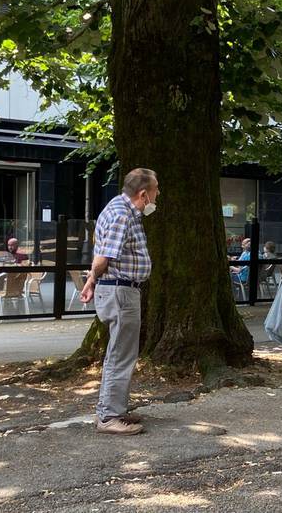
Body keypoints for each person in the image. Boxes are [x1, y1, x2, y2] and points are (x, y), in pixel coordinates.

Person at [79, 168, 159, 436]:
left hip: (120, 289)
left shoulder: (120, 210)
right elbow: (104, 257)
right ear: (144, 194)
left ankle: (115, 410)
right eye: (156, 190)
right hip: (121, 291)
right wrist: (92, 280)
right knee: (120, 354)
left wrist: (92, 282)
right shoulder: (122, 215)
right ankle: (109, 416)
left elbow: (104, 253)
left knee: (122, 352)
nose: (158, 195)